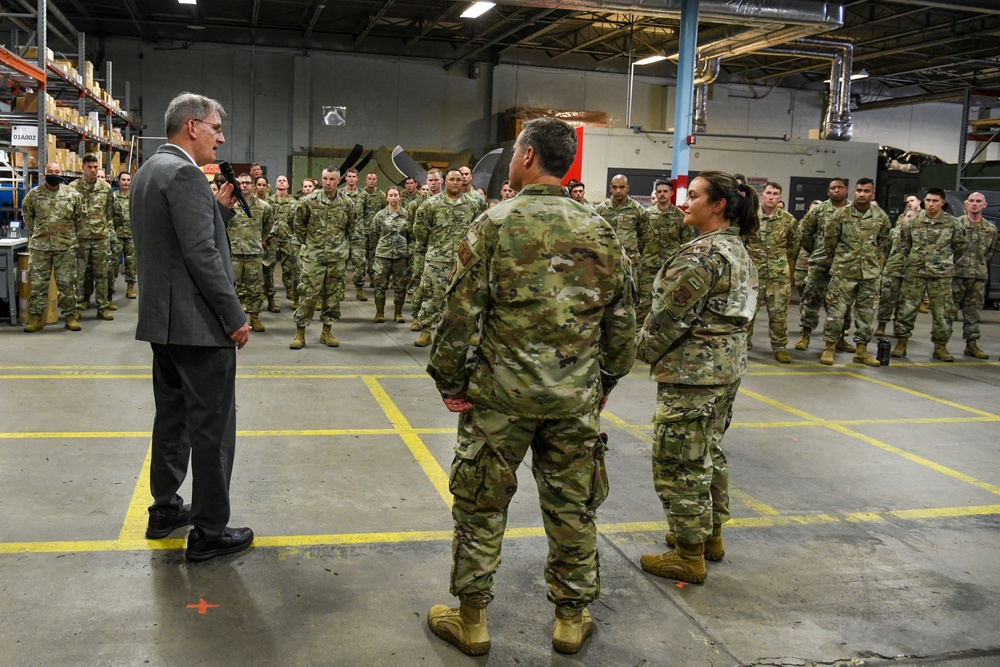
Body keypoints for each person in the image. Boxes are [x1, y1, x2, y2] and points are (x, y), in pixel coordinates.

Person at [425, 117, 635, 656]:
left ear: (526, 156)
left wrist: (451, 381)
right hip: (574, 399)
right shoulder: (602, 232)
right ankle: (570, 617)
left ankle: (472, 620)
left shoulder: (494, 224)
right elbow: (622, 325)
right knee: (572, 506)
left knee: (480, 506)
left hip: (499, 397)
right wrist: (602, 382)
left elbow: (457, 314)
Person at [130, 91, 253, 562]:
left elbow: (173, 240)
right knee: (213, 429)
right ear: (193, 127)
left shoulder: (150, 170)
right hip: (198, 327)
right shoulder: (183, 173)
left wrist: (216, 210)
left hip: (165, 325)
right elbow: (201, 256)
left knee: (174, 419)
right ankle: (208, 530)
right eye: (217, 128)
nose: (221, 139)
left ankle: (164, 510)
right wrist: (235, 316)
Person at [638, 170, 759, 586]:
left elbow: (665, 322)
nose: (684, 202)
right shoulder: (738, 250)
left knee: (680, 461)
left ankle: (689, 555)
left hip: (693, 376)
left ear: (718, 205)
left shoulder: (702, 255)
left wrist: (630, 352)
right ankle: (710, 536)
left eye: (692, 196)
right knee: (708, 450)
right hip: (726, 370)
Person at [819, 178, 891, 366]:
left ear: (872, 194)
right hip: (843, 272)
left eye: (866, 191)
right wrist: (843, 259)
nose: (862, 194)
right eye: (859, 190)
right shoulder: (841, 215)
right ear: (854, 192)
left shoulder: (880, 216)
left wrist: (873, 260)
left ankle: (861, 350)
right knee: (836, 313)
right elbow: (830, 242)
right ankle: (829, 348)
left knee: (866, 314)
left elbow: (884, 242)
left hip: (869, 274)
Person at [891, 188, 967, 361]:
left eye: (935, 201)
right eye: (928, 200)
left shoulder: (952, 223)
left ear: (942, 202)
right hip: (915, 273)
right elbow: (904, 245)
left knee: (943, 312)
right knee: (907, 309)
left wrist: (944, 262)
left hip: (941, 275)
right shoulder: (913, 222)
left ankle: (940, 346)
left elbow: (960, 247)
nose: (930, 204)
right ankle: (901, 343)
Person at [289, 165, 359, 349]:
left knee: (333, 297)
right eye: (325, 179)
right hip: (314, 257)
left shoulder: (347, 203)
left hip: (336, 258)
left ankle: (327, 332)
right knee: (308, 295)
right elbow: (298, 224)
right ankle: (300, 333)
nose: (328, 183)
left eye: (332, 179)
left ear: (338, 180)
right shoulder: (308, 201)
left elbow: (352, 228)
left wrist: (350, 251)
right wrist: (310, 243)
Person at [411, 169, 481, 347]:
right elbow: (420, 230)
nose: (456, 182)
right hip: (437, 259)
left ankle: (470, 331)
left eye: (459, 179)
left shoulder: (473, 204)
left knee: (465, 298)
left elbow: (478, 230)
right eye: (452, 179)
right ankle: (426, 330)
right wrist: (435, 247)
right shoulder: (431, 204)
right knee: (433, 296)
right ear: (444, 181)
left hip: (463, 261)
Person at [21, 162, 85, 332]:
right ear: (44, 174)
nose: (54, 174)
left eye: (57, 171)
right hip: (40, 247)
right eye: (50, 171)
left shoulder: (72, 194)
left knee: (67, 283)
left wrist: (70, 236)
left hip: (65, 247)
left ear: (61, 173)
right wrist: (39, 231)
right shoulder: (34, 195)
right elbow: (27, 215)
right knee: (38, 284)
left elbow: (79, 217)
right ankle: (35, 318)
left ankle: (70, 317)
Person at [794, 178, 853, 352]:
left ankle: (840, 338)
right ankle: (805, 336)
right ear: (828, 191)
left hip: (843, 266)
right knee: (811, 300)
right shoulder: (818, 211)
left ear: (846, 190)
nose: (836, 191)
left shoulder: (852, 211)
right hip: (820, 263)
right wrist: (816, 251)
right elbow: (805, 233)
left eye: (840, 187)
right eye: (833, 188)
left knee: (842, 305)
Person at [745, 181, 799, 362]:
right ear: (762, 195)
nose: (771, 196)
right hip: (754, 275)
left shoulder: (788, 220)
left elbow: (794, 245)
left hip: (778, 277)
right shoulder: (751, 217)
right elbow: (741, 242)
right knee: (748, 313)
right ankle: (743, 345)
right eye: (768, 193)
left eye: (775, 194)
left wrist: (779, 260)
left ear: (780, 198)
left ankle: (780, 348)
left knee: (779, 315)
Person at [595, 174, 654, 322]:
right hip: (607, 262)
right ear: (610, 189)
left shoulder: (637, 209)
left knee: (630, 298)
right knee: (605, 295)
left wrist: (634, 253)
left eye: (622, 187)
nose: (618, 191)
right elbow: (595, 234)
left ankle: (627, 327)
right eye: (615, 187)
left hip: (630, 264)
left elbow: (645, 236)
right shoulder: (601, 210)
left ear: (628, 188)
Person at [951, 192, 997, 359]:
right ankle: (940, 345)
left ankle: (971, 345)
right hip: (956, 275)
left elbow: (990, 253)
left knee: (973, 313)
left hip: (978, 276)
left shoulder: (990, 230)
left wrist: (979, 267)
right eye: (972, 201)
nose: (975, 204)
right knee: (947, 312)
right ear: (966, 204)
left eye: (979, 201)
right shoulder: (956, 225)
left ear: (984, 205)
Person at [72, 154, 115, 320]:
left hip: (100, 239)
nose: (93, 170)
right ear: (83, 168)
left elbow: (109, 213)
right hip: (80, 239)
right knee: (78, 275)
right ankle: (75, 309)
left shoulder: (106, 188)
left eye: (95, 167)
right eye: (89, 167)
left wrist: (106, 232)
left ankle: (102, 307)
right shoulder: (73, 188)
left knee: (102, 275)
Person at [227, 173, 272, 330]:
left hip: (253, 252)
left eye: (247, 183)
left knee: (255, 287)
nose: (244, 186)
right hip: (233, 253)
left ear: (253, 185)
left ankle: (254, 317)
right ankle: (235, 320)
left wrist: (258, 239)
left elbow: (268, 226)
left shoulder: (263, 206)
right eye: (242, 183)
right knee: (232, 287)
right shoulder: (229, 205)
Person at [370, 186, 410, 323]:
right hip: (383, 254)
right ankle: (379, 312)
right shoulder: (380, 215)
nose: (393, 198)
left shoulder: (407, 215)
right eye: (391, 195)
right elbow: (374, 234)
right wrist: (380, 248)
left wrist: (407, 250)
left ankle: (398, 313)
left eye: (395, 195)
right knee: (380, 285)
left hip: (401, 255)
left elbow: (410, 234)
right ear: (387, 198)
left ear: (400, 197)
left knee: (400, 285)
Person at [267, 175, 299, 305]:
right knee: (269, 268)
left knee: (289, 267)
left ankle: (289, 289)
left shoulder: (294, 203)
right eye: (279, 180)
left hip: (287, 238)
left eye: (284, 180)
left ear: (288, 185)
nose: (281, 182)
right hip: (271, 239)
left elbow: (297, 222)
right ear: (276, 185)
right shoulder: (268, 202)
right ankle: (268, 294)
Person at [341, 168, 368, 301]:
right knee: (341, 262)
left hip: (358, 233)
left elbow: (367, 213)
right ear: (346, 178)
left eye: (354, 177)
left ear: (357, 179)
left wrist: (366, 230)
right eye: (349, 176)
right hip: (343, 234)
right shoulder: (340, 193)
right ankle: (340, 290)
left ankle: (359, 289)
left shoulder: (363, 194)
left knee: (359, 263)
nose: (351, 179)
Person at [111, 171, 137, 300]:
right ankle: (110, 287)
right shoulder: (113, 197)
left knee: (131, 263)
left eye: (128, 180)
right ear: (119, 181)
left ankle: (130, 288)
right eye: (123, 180)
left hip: (132, 234)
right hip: (117, 235)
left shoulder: (135, 197)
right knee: (114, 262)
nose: (126, 182)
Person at [362, 172, 387, 287]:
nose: (371, 181)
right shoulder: (361, 195)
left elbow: (384, 213)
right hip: (361, 231)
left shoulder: (381, 196)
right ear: (365, 181)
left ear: (376, 181)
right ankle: (360, 280)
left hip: (375, 232)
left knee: (373, 256)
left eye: (373, 179)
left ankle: (373, 278)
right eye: (369, 179)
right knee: (361, 257)